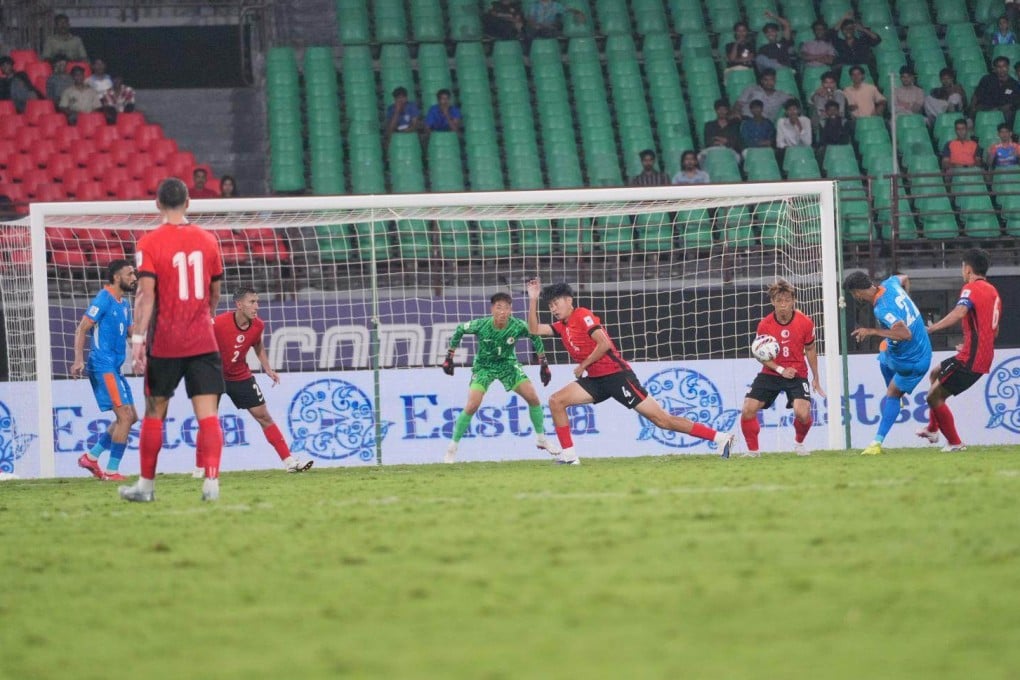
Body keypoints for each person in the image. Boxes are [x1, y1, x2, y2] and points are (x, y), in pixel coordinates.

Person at [526, 279, 735, 464]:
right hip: (597, 380)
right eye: (551, 305)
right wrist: (534, 299)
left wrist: (583, 365)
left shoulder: (583, 315)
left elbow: (604, 343)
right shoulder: (562, 326)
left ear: (569, 300)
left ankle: (721, 437)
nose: (553, 308)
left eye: (557, 302)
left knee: (662, 420)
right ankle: (569, 455)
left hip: (617, 376)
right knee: (556, 401)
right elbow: (533, 329)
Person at [119, 178, 226, 503]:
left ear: (157, 204)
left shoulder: (148, 242)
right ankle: (211, 483)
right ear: (189, 203)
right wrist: (205, 316)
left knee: (154, 412)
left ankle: (146, 487)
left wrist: (138, 339)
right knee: (208, 415)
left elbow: (145, 294)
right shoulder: (209, 240)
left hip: (165, 342)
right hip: (202, 342)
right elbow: (215, 291)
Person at [440, 292, 559, 463]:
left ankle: (541, 439)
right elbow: (460, 329)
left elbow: (534, 335)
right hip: (484, 367)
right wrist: (449, 356)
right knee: (472, 404)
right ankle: (452, 447)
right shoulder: (481, 325)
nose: (503, 312)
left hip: (508, 365)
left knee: (533, 397)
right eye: (499, 307)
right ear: (492, 309)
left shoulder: (517, 325)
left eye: (507, 308)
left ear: (511, 310)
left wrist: (544, 364)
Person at [211, 289, 313, 474]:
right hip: (213, 376)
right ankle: (202, 466)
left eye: (257, 302)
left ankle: (289, 461)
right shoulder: (219, 323)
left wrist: (267, 368)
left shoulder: (258, 325)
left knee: (264, 416)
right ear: (239, 305)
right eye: (252, 302)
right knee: (208, 421)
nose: (257, 306)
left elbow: (257, 344)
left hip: (239, 375)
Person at [917, 248, 1002, 452]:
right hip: (977, 353)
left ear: (968, 268)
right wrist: (973, 344)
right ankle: (932, 429)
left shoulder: (970, 288)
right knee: (935, 372)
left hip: (972, 358)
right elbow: (994, 329)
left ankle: (955, 443)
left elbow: (959, 312)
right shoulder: (993, 291)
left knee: (933, 397)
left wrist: (933, 328)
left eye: (963, 266)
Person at [843, 271, 932, 456]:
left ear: (857, 292)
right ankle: (895, 397)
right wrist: (909, 309)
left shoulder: (882, 309)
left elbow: (905, 334)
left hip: (912, 361)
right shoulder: (890, 283)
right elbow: (905, 277)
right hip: (924, 349)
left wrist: (871, 331)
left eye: (854, 294)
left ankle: (876, 443)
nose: (855, 297)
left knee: (892, 392)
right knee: (884, 349)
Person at [739, 280, 824, 457]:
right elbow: (759, 354)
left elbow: (810, 349)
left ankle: (799, 444)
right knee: (748, 409)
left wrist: (816, 377)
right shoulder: (765, 325)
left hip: (797, 373)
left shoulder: (805, 323)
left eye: (787, 300)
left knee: (802, 413)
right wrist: (780, 370)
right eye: (779, 300)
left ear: (793, 301)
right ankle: (753, 452)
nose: (783, 304)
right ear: (772, 302)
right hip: (771, 373)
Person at [71, 260, 139, 481]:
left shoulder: (124, 303)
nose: (134, 278)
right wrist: (78, 359)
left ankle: (91, 458)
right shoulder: (103, 298)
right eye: (130, 274)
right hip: (102, 365)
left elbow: (131, 331)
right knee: (125, 416)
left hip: (114, 368)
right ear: (117, 277)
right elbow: (82, 328)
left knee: (131, 417)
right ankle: (111, 471)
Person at [971, 56, 1020, 128]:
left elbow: (1013, 103)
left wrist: (998, 109)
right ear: (995, 68)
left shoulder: (1014, 84)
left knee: (1010, 113)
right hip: (985, 108)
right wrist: (973, 108)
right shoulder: (986, 79)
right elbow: (976, 95)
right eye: (999, 67)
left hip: (1003, 111)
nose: (1002, 69)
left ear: (1008, 67)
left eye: (1004, 66)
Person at [699, 99, 743, 165]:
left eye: (724, 109)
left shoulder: (734, 126)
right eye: (719, 109)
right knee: (699, 157)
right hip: (713, 149)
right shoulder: (709, 125)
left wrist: (724, 141)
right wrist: (723, 140)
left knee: (737, 157)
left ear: (727, 111)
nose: (722, 112)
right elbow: (707, 141)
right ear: (716, 110)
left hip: (729, 150)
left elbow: (736, 142)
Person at [816, 100, 853, 164]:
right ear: (826, 112)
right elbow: (821, 139)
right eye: (830, 110)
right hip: (827, 147)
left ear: (838, 111)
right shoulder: (822, 123)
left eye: (835, 110)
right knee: (820, 151)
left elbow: (846, 137)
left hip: (842, 146)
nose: (832, 112)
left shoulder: (844, 122)